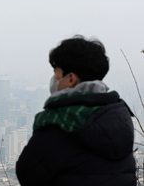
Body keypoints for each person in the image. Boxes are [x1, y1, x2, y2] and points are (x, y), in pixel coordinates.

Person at [16, 36, 136, 186]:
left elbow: (27, 173)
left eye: (56, 73)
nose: (54, 79)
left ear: (71, 79)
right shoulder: (120, 120)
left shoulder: (58, 124)